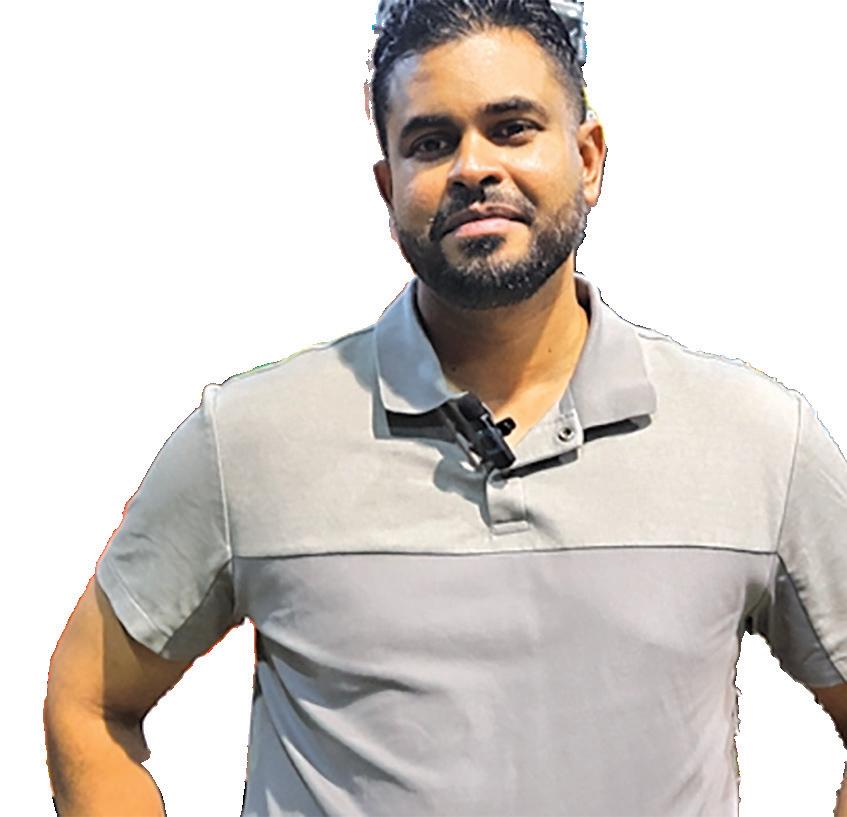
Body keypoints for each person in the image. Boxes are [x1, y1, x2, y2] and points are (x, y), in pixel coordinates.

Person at [44, 1, 847, 815]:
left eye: (511, 129)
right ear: (388, 186)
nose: (473, 167)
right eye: (431, 142)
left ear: (588, 157)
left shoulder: (755, 440)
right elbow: (89, 701)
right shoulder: (248, 441)